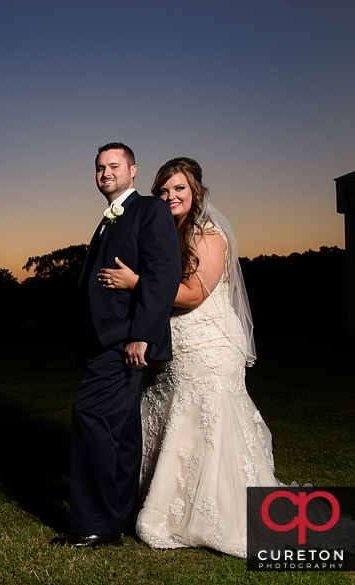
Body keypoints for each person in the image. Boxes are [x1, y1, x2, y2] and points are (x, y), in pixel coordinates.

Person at [99, 157, 267, 557]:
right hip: (177, 349)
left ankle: (215, 514)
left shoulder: (209, 236)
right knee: (174, 423)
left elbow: (192, 295)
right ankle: (167, 503)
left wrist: (136, 282)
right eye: (164, 190)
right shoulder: (167, 235)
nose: (171, 196)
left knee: (209, 430)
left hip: (209, 347)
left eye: (180, 189)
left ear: (196, 193)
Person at [52, 143, 181, 548]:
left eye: (114, 166)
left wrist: (142, 333)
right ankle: (121, 515)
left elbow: (162, 275)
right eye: (99, 167)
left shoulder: (149, 210)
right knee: (124, 431)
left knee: (89, 415)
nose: (105, 173)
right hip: (103, 340)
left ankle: (94, 523)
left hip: (125, 339)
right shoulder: (108, 218)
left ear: (133, 170)